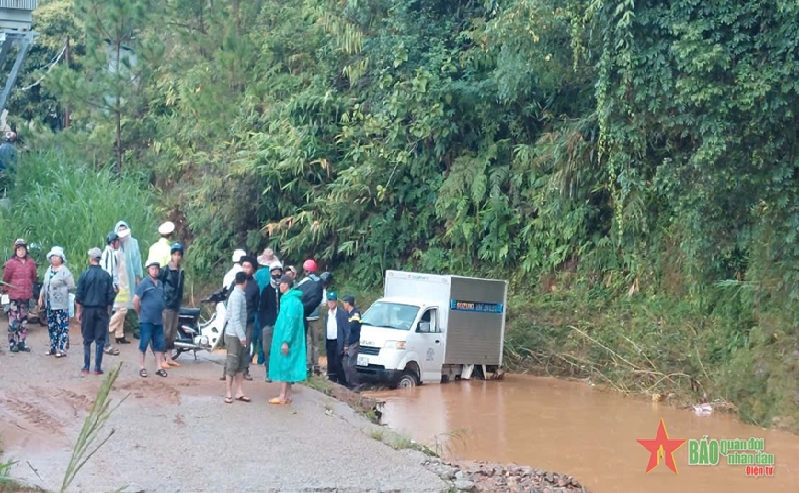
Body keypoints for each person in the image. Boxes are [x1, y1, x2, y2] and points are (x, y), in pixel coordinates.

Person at [74, 248, 116, 375]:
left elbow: (79, 296)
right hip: (102, 309)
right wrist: (107, 310)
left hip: (88, 309)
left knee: (87, 339)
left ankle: (86, 366)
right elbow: (110, 296)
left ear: (90, 259)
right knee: (100, 339)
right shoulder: (106, 276)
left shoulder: (85, 275)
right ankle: (97, 367)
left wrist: (78, 312)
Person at [268, 274, 307, 404]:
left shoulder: (292, 301)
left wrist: (286, 341)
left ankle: (282, 395)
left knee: (285, 365)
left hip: (289, 340)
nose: (279, 286)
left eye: (281, 284)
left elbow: (291, 322)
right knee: (288, 365)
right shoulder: (289, 299)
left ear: (287, 285)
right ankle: (288, 394)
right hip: (288, 338)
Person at [133, 259, 168, 378]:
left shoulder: (160, 284)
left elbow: (162, 300)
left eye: (156, 269)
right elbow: (135, 300)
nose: (155, 271)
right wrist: (140, 313)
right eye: (152, 269)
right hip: (146, 319)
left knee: (159, 344)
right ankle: (142, 366)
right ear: (148, 270)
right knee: (144, 343)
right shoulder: (144, 283)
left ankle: (159, 367)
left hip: (158, 319)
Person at [39, 246, 75, 358]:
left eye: (56, 256)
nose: (54, 259)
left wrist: (60, 292)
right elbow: (45, 285)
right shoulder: (49, 270)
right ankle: (53, 347)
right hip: (50, 304)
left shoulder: (65, 272)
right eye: (52, 256)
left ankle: (62, 349)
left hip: (61, 304)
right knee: (51, 326)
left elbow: (71, 286)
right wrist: (41, 296)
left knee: (62, 327)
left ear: (61, 258)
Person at [3, 238, 37, 352]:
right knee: (13, 322)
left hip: (25, 296)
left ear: (26, 250)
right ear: (15, 250)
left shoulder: (31, 262)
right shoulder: (10, 263)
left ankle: (22, 342)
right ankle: (12, 343)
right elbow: (5, 279)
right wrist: (6, 290)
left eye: (23, 249)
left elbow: (34, 277)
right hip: (14, 297)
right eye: (19, 249)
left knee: (23, 321)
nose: (21, 251)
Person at [224, 272, 250, 404]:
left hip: (236, 333)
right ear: (245, 282)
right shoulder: (237, 296)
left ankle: (239, 391)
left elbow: (229, 316)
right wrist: (242, 336)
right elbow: (235, 318)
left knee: (240, 365)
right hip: (234, 335)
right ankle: (228, 392)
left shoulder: (238, 295)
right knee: (232, 364)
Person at [159, 243, 185, 368]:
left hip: (176, 304)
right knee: (166, 331)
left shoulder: (181, 271)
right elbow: (159, 284)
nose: (177, 257)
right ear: (171, 255)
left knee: (173, 332)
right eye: (175, 255)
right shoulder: (165, 270)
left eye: (179, 255)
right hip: (167, 304)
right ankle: (162, 357)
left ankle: (169, 357)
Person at [258, 262, 283, 382]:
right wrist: (264, 324)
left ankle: (279, 372)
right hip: (268, 324)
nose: (277, 274)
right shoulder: (266, 290)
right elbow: (261, 309)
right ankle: (268, 372)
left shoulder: (284, 291)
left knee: (280, 349)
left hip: (281, 325)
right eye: (274, 271)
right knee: (267, 349)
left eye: (279, 271)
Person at [100, 231, 124, 355]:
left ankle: (104, 342)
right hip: (108, 290)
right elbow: (110, 272)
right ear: (113, 242)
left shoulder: (108, 253)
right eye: (117, 241)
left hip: (107, 289)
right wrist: (114, 287)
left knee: (106, 316)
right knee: (106, 316)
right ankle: (105, 344)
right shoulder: (109, 254)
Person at [323, 291, 348, 384]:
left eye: (333, 301)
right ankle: (332, 381)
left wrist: (346, 343)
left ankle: (343, 382)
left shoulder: (342, 314)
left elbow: (346, 330)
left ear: (336, 301)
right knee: (330, 363)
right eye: (330, 301)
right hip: (329, 341)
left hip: (338, 341)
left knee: (338, 363)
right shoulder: (327, 314)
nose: (331, 303)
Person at [341, 295, 362, 391]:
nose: (343, 305)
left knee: (350, 365)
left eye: (344, 302)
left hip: (353, 343)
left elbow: (351, 327)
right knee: (345, 364)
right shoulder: (346, 313)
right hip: (346, 343)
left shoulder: (356, 314)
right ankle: (348, 384)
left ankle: (355, 385)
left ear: (348, 303)